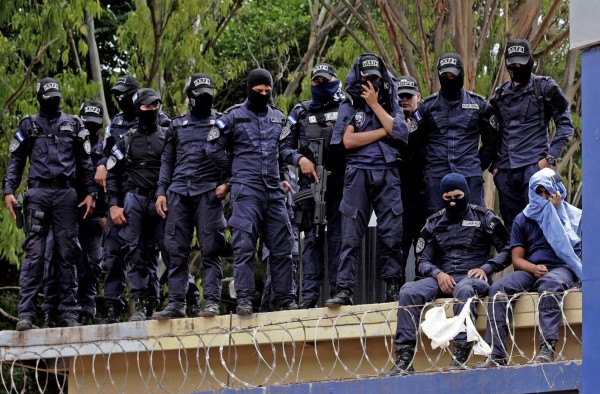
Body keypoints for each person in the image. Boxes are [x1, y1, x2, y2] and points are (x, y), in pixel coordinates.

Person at [384, 173, 511, 374]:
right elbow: (422, 259)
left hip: (473, 279)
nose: (453, 202)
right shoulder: (433, 223)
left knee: (464, 288)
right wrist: (437, 274)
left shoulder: (485, 218)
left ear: (466, 194)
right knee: (408, 290)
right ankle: (404, 357)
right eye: (448, 198)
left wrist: (486, 268)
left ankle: (461, 352)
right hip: (443, 278)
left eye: (457, 196)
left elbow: (509, 249)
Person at [4, 77, 97, 330]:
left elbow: (86, 163)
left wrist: (91, 193)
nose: (53, 102)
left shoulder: (74, 125)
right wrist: (9, 190)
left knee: (69, 252)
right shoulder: (28, 125)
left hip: (67, 196)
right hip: (38, 194)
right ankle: (26, 314)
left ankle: (69, 314)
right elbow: (16, 160)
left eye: (56, 98)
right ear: (40, 99)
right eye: (48, 98)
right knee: (34, 254)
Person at [207, 68, 299, 315]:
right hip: (246, 191)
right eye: (258, 91)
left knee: (283, 247)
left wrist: (283, 176)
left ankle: (287, 299)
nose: (263, 94)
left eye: (268, 91)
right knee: (244, 247)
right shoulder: (233, 116)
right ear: (249, 90)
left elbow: (282, 150)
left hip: (274, 192)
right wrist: (233, 174)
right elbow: (212, 147)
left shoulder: (279, 118)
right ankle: (245, 300)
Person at [325, 53, 408, 307]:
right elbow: (348, 141)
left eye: (375, 78)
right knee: (350, 236)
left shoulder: (391, 103)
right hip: (357, 175)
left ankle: (393, 288)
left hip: (387, 173)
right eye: (366, 78)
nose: (370, 83)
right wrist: (384, 130)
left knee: (392, 234)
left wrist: (375, 105)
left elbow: (401, 132)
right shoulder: (349, 105)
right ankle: (344, 290)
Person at [478, 168, 581, 367]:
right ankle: (496, 354)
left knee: (549, 285)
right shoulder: (523, 218)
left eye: (547, 192)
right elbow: (517, 258)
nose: (543, 197)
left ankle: (547, 348)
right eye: (538, 192)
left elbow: (576, 250)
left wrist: (554, 213)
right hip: (532, 269)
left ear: (557, 191)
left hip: (562, 268)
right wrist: (533, 268)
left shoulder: (572, 217)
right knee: (498, 290)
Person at [152, 73, 226, 319]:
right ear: (191, 97)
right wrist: (161, 191)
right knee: (175, 250)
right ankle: (176, 303)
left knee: (211, 248)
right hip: (179, 193)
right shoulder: (176, 125)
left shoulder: (222, 123)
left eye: (208, 96)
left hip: (208, 192)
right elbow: (167, 160)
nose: (204, 100)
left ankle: (212, 301)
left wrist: (227, 183)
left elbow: (236, 156)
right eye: (200, 96)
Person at [98, 76, 169, 323]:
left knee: (157, 253)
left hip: (156, 199)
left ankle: (154, 303)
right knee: (121, 254)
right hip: (126, 199)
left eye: (124, 94)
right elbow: (107, 157)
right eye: (116, 94)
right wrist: (112, 201)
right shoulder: (117, 127)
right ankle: (117, 308)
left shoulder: (164, 124)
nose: (120, 99)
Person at [490, 39, 574, 231]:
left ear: (530, 60)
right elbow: (491, 132)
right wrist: (495, 166)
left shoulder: (544, 88)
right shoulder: (500, 96)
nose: (517, 67)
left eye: (521, 62)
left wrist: (549, 159)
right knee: (514, 230)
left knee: (540, 226)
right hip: (506, 171)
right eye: (513, 63)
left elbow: (565, 123)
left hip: (534, 168)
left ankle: (541, 263)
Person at [280, 63, 346, 308]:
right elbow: (283, 146)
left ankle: (339, 291)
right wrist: (301, 160)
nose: (319, 85)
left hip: (341, 183)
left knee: (339, 239)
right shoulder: (300, 111)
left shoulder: (346, 107)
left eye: (324, 81)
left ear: (334, 80)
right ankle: (309, 295)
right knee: (312, 239)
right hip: (311, 183)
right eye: (315, 81)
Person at [43, 101, 107, 326]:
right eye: (86, 123)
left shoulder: (106, 149)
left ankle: (86, 311)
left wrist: (106, 212)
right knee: (55, 261)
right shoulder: (67, 141)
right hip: (66, 212)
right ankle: (52, 312)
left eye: (94, 124)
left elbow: (116, 181)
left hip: (94, 216)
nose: (89, 128)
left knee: (91, 265)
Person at [412, 53, 497, 216]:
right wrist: (429, 165)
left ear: (461, 73)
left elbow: (492, 141)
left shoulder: (479, 105)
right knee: (436, 224)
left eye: (453, 75)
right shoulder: (427, 107)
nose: (449, 78)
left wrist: (477, 166)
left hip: (469, 176)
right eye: (445, 75)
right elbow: (415, 142)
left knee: (474, 223)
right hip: (436, 177)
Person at [397, 75, 426, 283]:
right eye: (400, 97)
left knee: (423, 253)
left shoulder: (427, 123)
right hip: (398, 202)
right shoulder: (389, 124)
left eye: (408, 96)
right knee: (397, 253)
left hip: (424, 201)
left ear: (418, 97)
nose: (404, 100)